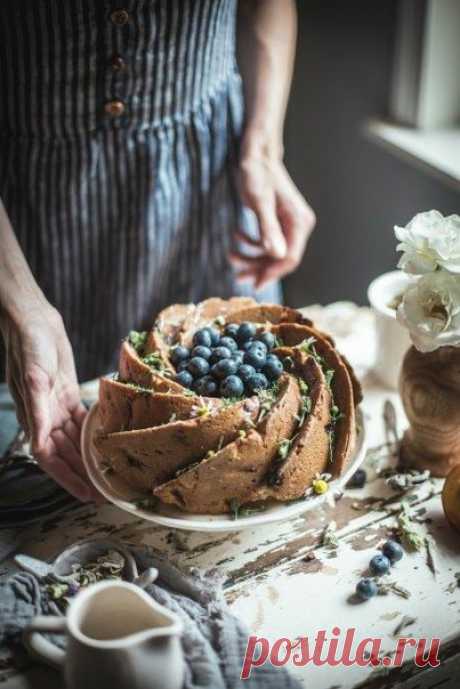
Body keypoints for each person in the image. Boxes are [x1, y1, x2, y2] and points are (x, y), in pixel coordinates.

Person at [0, 0, 315, 502]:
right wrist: (17, 304)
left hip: (206, 174)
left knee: (246, 435)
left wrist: (263, 150)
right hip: (26, 215)